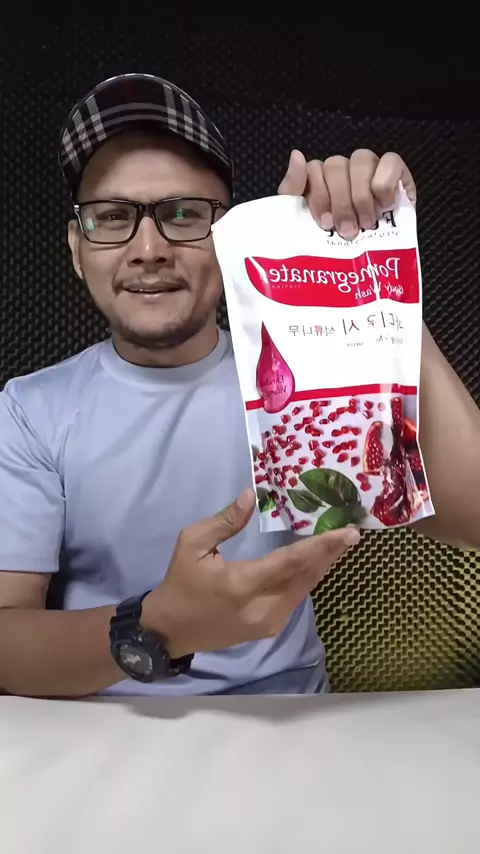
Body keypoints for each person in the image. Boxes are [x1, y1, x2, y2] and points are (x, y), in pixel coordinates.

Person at [0, 74, 479, 699]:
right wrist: (157, 627)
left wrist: (379, 279)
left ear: (229, 237)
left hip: (288, 719)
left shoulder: (310, 376)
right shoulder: (31, 410)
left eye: (182, 214)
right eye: (112, 217)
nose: (149, 249)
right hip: (102, 724)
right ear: (76, 249)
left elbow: (474, 516)